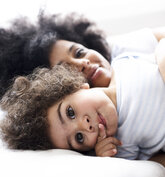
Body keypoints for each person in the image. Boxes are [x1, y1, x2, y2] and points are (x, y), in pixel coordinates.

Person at [1, 38, 165, 161]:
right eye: (79, 138)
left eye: (70, 113)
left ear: (77, 86)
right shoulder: (121, 144)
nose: (85, 125)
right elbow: (155, 166)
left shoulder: (123, 63)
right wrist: (107, 158)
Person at [0, 11, 165, 98]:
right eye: (67, 70)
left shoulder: (125, 48)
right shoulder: (103, 128)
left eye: (79, 53)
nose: (82, 63)